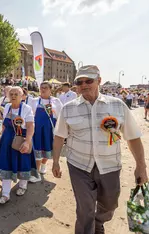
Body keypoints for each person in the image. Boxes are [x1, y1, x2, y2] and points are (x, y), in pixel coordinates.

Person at [52, 65, 148, 234]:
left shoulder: (117, 105)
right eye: (79, 81)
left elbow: (132, 137)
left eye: (88, 80)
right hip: (79, 166)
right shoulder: (68, 108)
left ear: (99, 81)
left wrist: (141, 166)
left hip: (110, 165)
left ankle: (99, 222)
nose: (84, 84)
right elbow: (59, 136)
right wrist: (55, 162)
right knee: (85, 209)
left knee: (110, 204)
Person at [0, 87, 37, 204]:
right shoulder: (7, 106)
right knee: (5, 164)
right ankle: (5, 194)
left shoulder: (27, 108)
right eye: (11, 94)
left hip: (21, 140)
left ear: (22, 96)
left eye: (16, 94)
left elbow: (30, 127)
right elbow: (4, 124)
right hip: (7, 140)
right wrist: (2, 138)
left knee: (22, 163)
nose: (13, 96)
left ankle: (23, 186)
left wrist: (27, 142)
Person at [29, 81, 63, 183]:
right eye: (41, 87)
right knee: (37, 151)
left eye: (45, 88)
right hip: (37, 131)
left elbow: (61, 116)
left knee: (47, 149)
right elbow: (29, 116)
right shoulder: (34, 101)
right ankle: (37, 173)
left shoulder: (56, 101)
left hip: (49, 131)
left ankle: (43, 166)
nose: (43, 89)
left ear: (50, 90)